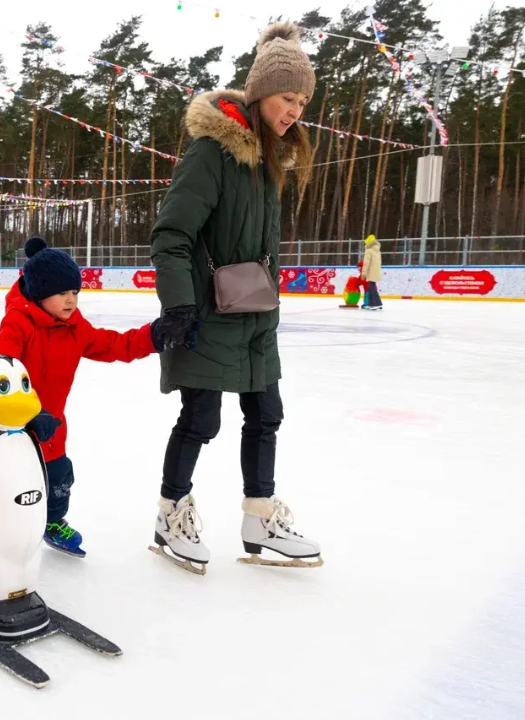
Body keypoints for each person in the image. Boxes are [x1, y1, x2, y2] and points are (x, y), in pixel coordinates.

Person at [149, 22, 322, 570]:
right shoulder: (214, 151)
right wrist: (178, 304)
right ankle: (170, 513)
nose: (294, 110)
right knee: (200, 420)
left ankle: (259, 516)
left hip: (254, 313)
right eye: (287, 97)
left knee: (266, 414)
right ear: (260, 91)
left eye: (301, 101)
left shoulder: (273, 159)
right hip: (206, 310)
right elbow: (171, 235)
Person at [0, 237, 164, 558]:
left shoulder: (76, 327)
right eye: (62, 292)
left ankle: (51, 522)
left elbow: (114, 345)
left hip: (50, 430)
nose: (71, 300)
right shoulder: (18, 325)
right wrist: (26, 412)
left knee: (60, 478)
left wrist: (154, 336)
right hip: (5, 427)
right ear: (39, 293)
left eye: (75, 292)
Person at [361, 235, 383, 311]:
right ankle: (371, 304)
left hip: (370, 271)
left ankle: (377, 303)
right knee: (371, 287)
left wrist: (363, 273)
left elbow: (366, 263)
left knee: (372, 288)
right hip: (376, 271)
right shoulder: (378, 250)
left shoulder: (369, 250)